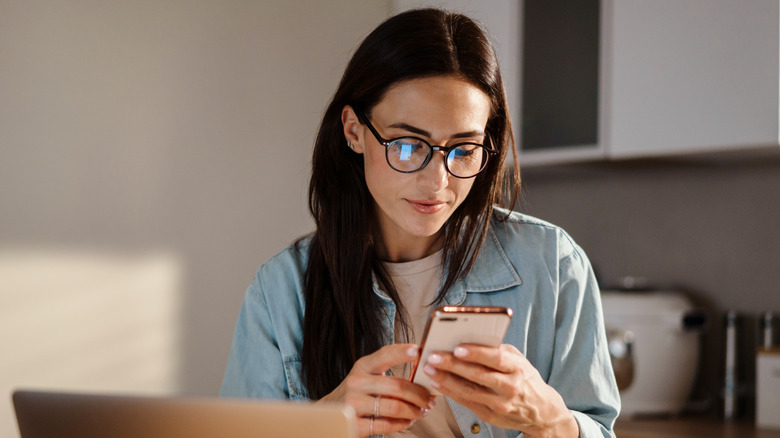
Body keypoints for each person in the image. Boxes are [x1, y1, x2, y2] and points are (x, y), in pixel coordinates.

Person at [220, 8, 620, 438]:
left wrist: (553, 422)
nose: (438, 182)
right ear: (354, 130)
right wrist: (322, 421)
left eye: (463, 149)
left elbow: (596, 427)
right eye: (409, 145)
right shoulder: (280, 292)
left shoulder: (554, 265)